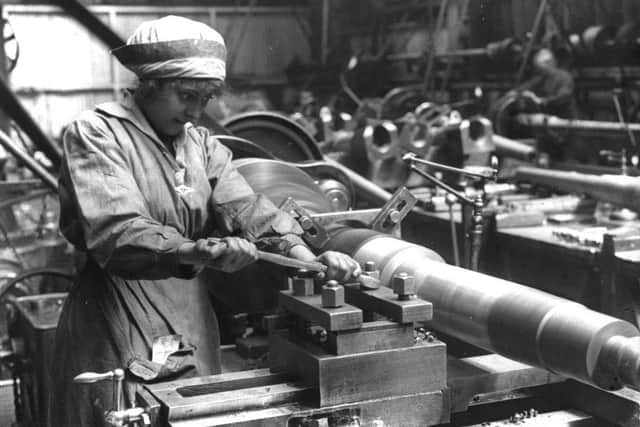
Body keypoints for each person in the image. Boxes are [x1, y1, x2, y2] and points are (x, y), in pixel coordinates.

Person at [49, 15, 361, 427]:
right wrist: (195, 250)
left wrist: (308, 258)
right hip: (118, 313)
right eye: (186, 95)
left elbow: (247, 208)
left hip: (190, 317)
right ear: (150, 83)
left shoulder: (200, 144)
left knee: (196, 415)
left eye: (207, 97)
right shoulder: (96, 134)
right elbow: (116, 230)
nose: (195, 111)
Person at [518, 47, 576, 119]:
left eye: (541, 68)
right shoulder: (542, 77)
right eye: (538, 69)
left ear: (551, 63)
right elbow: (525, 87)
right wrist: (521, 93)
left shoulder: (564, 77)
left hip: (564, 120)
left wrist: (542, 101)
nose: (540, 71)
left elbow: (563, 97)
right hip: (548, 119)